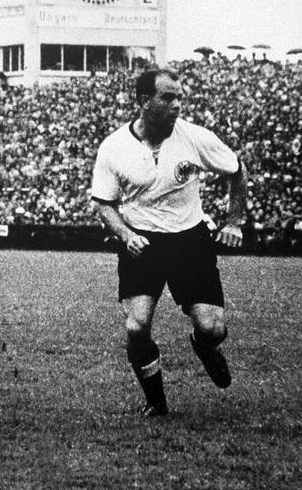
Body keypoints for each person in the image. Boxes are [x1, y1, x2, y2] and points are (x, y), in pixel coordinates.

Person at [90, 69, 247, 417]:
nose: (177, 104)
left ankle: (204, 348)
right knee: (136, 326)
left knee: (212, 328)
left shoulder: (194, 137)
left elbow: (237, 169)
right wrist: (126, 234)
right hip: (142, 242)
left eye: (179, 97)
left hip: (189, 240)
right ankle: (156, 402)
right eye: (168, 97)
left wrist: (234, 221)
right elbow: (104, 202)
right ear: (144, 101)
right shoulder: (114, 146)